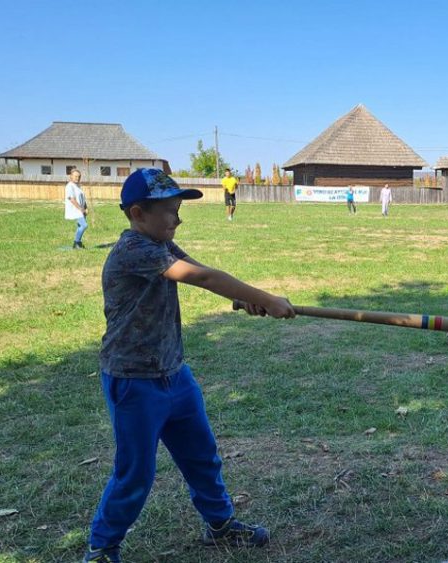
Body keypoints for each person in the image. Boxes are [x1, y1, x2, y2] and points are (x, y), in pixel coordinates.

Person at [84, 168, 295, 562]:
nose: (177, 219)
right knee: (136, 472)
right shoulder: (134, 250)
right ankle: (101, 546)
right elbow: (204, 278)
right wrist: (267, 297)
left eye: (179, 209)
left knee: (202, 454)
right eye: (169, 210)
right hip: (134, 381)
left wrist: (249, 298)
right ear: (137, 213)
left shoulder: (161, 246)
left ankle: (220, 524)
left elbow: (202, 272)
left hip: (174, 374)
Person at [65, 168, 88, 248]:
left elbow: (82, 198)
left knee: (80, 226)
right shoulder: (69, 186)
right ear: (71, 176)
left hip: (81, 210)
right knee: (84, 225)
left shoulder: (78, 186)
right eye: (75, 176)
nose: (77, 178)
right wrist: (80, 209)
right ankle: (76, 242)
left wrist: (85, 207)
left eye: (79, 176)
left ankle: (78, 243)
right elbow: (71, 199)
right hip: (75, 210)